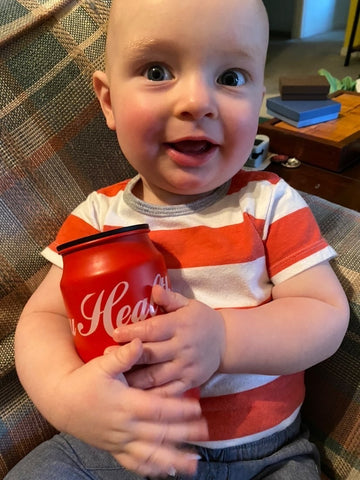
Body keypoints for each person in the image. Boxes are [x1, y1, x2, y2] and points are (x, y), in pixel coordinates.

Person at [6, 0, 350, 479]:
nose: (197, 102)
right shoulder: (96, 216)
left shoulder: (268, 203)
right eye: (156, 70)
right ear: (108, 101)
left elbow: (326, 315)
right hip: (121, 449)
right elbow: (42, 317)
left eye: (230, 77)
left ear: (259, 99)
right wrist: (66, 398)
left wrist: (226, 339)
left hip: (261, 457)